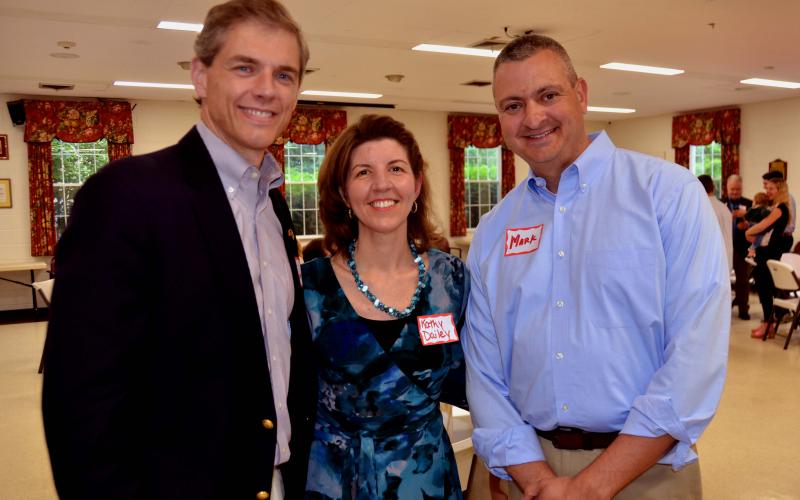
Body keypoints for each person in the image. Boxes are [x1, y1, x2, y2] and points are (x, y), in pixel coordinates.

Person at [41, 1, 315, 499]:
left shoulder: (273, 208)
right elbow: (81, 404)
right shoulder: (128, 196)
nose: (266, 90)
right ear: (200, 76)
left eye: (284, 74)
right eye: (244, 67)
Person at [463, 34, 729, 500]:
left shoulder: (667, 196)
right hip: (530, 472)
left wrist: (591, 486)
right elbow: (484, 373)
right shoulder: (494, 230)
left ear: (581, 94)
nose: (533, 117)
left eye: (548, 95)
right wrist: (532, 475)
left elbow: (694, 358)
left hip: (648, 472)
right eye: (512, 105)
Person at [301, 114, 469, 499]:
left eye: (396, 169)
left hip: (426, 478)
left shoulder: (451, 279)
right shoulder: (308, 288)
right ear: (343, 192)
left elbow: (476, 378)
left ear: (416, 184)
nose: (382, 184)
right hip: (335, 479)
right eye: (362, 172)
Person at [746, 176, 791, 339]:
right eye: (768, 188)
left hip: (769, 254)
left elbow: (763, 225)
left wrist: (748, 232)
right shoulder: (777, 207)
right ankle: (767, 323)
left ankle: (768, 325)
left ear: (780, 190)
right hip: (767, 252)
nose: (768, 192)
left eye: (771, 189)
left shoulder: (781, 209)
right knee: (763, 290)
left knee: (765, 290)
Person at [722, 174, 753, 319]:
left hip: (741, 248)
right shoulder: (720, 204)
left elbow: (758, 223)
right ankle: (723, 309)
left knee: (743, 280)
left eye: (738, 190)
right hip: (724, 248)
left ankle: (743, 309)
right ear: (727, 188)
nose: (735, 192)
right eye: (732, 189)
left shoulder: (749, 204)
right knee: (723, 280)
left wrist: (748, 223)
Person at [699, 175, 733, 271]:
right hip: (725, 257)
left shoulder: (700, 207)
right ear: (713, 187)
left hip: (707, 260)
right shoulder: (724, 208)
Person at [762, 170, 795, 253]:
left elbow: (789, 224)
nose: (764, 187)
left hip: (783, 238)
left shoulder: (787, 199)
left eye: (766, 184)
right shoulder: (773, 199)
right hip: (776, 237)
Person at [744, 192, 772, 258]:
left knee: (755, 239)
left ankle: (751, 250)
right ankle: (752, 250)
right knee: (759, 238)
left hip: (751, 226)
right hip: (758, 226)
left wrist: (748, 222)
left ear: (756, 201)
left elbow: (746, 216)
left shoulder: (751, 209)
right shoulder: (764, 209)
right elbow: (768, 217)